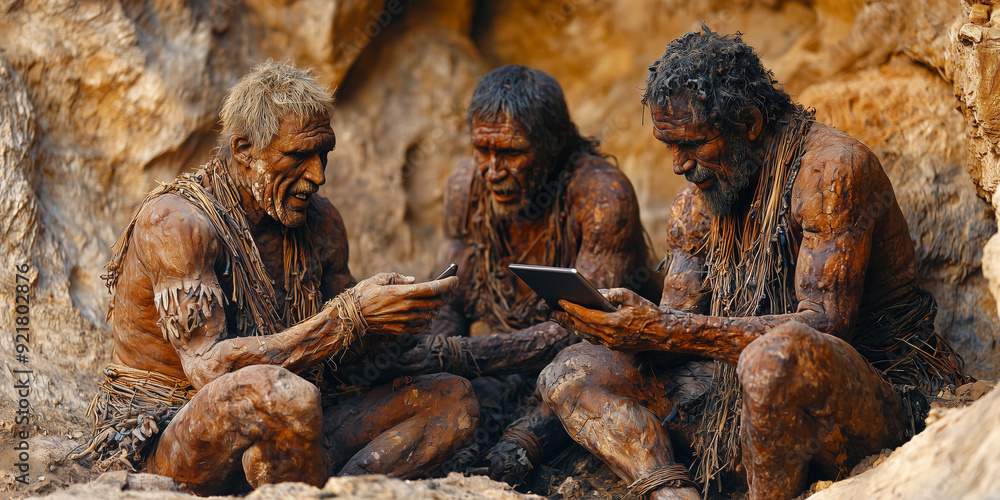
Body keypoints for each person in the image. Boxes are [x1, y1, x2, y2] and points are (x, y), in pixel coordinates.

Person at [538, 27, 970, 500]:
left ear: (749, 124)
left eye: (693, 144)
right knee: (570, 371)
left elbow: (824, 327)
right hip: (734, 392)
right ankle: (670, 491)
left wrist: (664, 329)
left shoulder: (830, 172)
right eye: (670, 146)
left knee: (772, 361)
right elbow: (674, 332)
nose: (679, 165)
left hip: (869, 391)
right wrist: (614, 325)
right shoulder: (695, 207)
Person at [72, 62, 478, 495]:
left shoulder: (321, 224)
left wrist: (392, 320)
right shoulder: (176, 223)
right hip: (176, 436)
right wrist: (348, 317)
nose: (318, 175)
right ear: (244, 150)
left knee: (453, 400)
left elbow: (348, 360)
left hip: (294, 420)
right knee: (284, 395)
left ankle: (324, 489)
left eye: (324, 154)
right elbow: (210, 369)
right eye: (299, 156)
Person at [387, 65, 661, 485]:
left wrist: (456, 355)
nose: (492, 170)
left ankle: (522, 443)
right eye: (482, 149)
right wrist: (434, 358)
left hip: (589, 365)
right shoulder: (466, 187)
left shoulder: (602, 195)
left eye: (511, 152)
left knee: (520, 443)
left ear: (554, 142)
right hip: (503, 365)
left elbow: (586, 328)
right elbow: (449, 299)